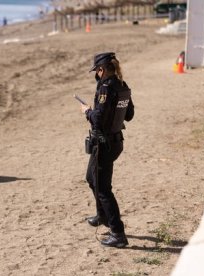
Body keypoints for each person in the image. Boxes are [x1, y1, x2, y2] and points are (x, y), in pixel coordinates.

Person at [80, 52, 134, 248]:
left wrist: (87, 111)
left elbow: (98, 119)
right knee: (91, 178)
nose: (96, 74)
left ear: (101, 70)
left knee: (103, 189)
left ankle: (118, 233)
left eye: (97, 71)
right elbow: (129, 115)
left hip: (104, 144)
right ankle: (102, 215)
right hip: (116, 142)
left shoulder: (105, 88)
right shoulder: (122, 86)